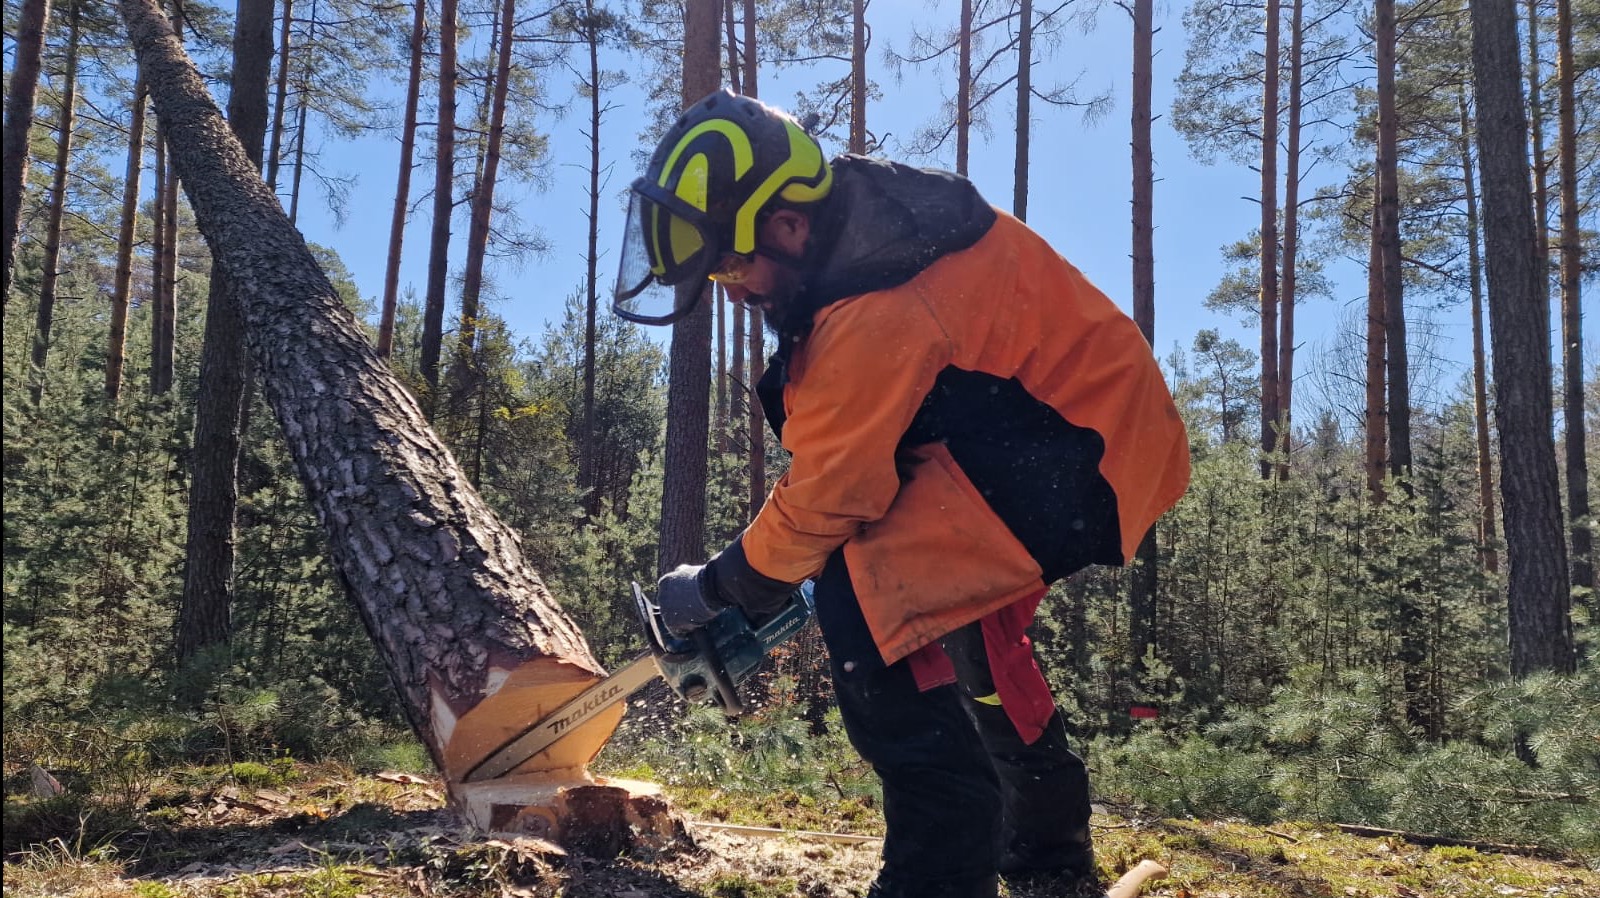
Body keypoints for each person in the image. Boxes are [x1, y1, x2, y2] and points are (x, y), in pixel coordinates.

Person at [613, 90, 1191, 898]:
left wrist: (719, 586)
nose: (734, 292)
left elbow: (830, 495)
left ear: (788, 225)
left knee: (867, 600)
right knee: (970, 640)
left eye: (732, 266)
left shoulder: (877, 301)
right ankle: (1049, 859)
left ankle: (937, 876)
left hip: (1085, 447)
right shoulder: (857, 238)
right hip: (1052, 432)